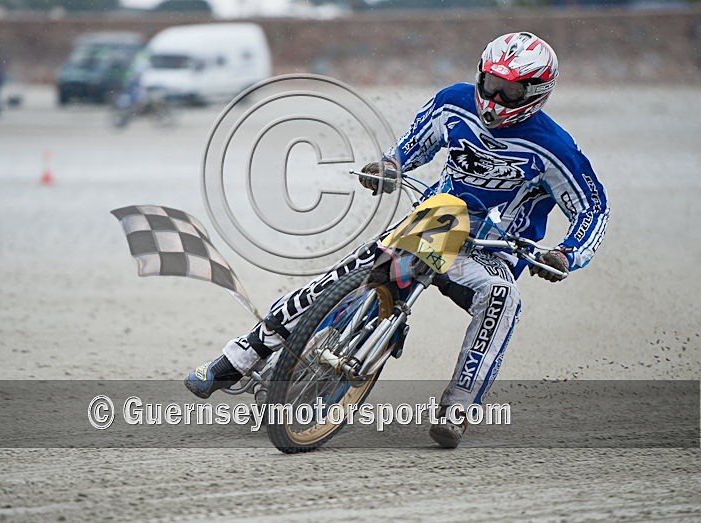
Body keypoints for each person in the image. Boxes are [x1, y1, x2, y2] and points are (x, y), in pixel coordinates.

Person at [184, 32, 609, 448]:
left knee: (503, 298)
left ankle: (457, 408)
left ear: (537, 93)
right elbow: (412, 146)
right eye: (491, 85)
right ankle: (238, 358)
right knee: (348, 273)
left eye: (510, 93)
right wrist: (389, 165)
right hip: (440, 220)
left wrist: (567, 254)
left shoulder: (556, 148)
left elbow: (594, 208)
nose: (494, 101)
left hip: (493, 251)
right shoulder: (454, 102)